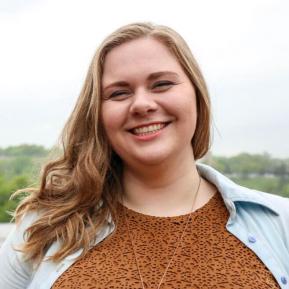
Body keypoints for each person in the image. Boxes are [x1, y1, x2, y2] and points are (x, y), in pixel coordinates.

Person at [0, 22, 288, 289]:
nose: (142, 104)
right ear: (97, 114)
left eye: (162, 84)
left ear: (197, 95)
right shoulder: (44, 226)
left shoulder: (281, 222)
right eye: (118, 93)